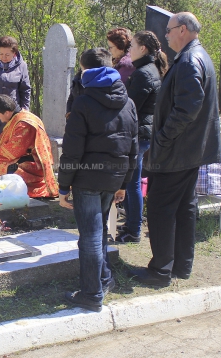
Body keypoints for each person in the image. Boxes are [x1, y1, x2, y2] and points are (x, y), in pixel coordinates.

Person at [129, 12, 221, 287]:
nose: (166, 35)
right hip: (189, 150)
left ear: (183, 30)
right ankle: (181, 266)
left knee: (160, 208)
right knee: (184, 207)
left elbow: (188, 108)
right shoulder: (196, 56)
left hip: (177, 152)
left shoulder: (189, 61)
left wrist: (162, 139)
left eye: (169, 30)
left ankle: (160, 271)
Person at [57, 48, 138, 312]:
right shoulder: (129, 102)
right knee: (100, 230)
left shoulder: (83, 102)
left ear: (85, 71)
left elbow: (72, 150)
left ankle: (92, 294)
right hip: (113, 177)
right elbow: (133, 148)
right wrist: (124, 183)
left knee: (90, 235)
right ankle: (103, 280)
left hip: (88, 178)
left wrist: (63, 186)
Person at [116, 31, 168, 244]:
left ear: (143, 49)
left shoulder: (143, 73)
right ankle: (130, 225)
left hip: (138, 134)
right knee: (131, 181)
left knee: (132, 183)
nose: (130, 50)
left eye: (133, 46)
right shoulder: (147, 70)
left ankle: (134, 229)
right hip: (142, 132)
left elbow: (131, 106)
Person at [0, 94, 58, 198]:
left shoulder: (24, 124)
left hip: (34, 163)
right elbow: (7, 137)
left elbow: (14, 151)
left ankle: (25, 187)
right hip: (23, 156)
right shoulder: (17, 116)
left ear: (7, 112)